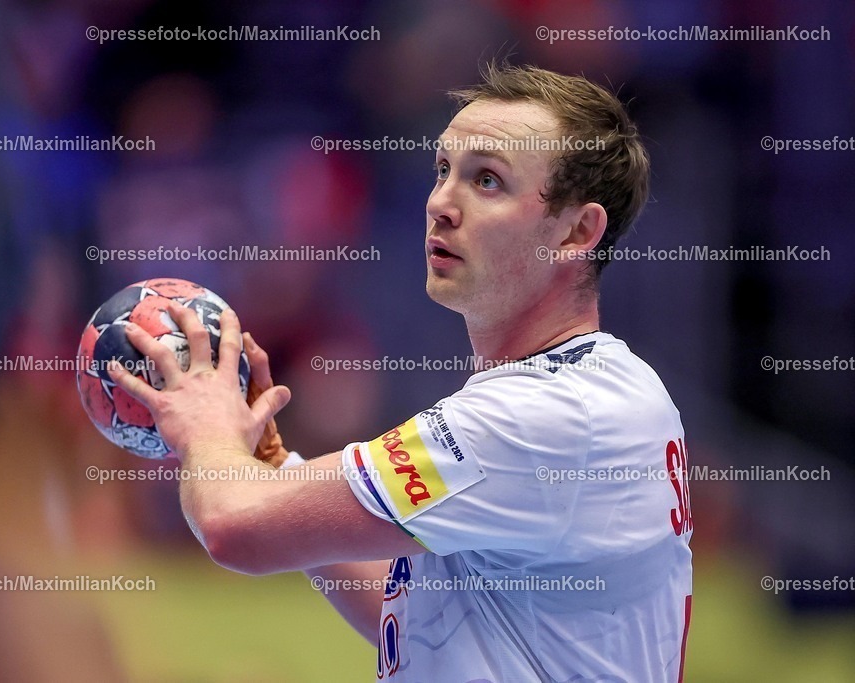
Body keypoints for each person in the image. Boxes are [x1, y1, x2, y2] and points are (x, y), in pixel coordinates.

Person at [109, 64, 693, 682]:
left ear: (577, 231)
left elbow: (233, 528)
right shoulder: (600, 386)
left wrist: (204, 427)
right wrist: (270, 463)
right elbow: (420, 615)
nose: (442, 203)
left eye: (487, 181)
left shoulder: (538, 418)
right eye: (444, 170)